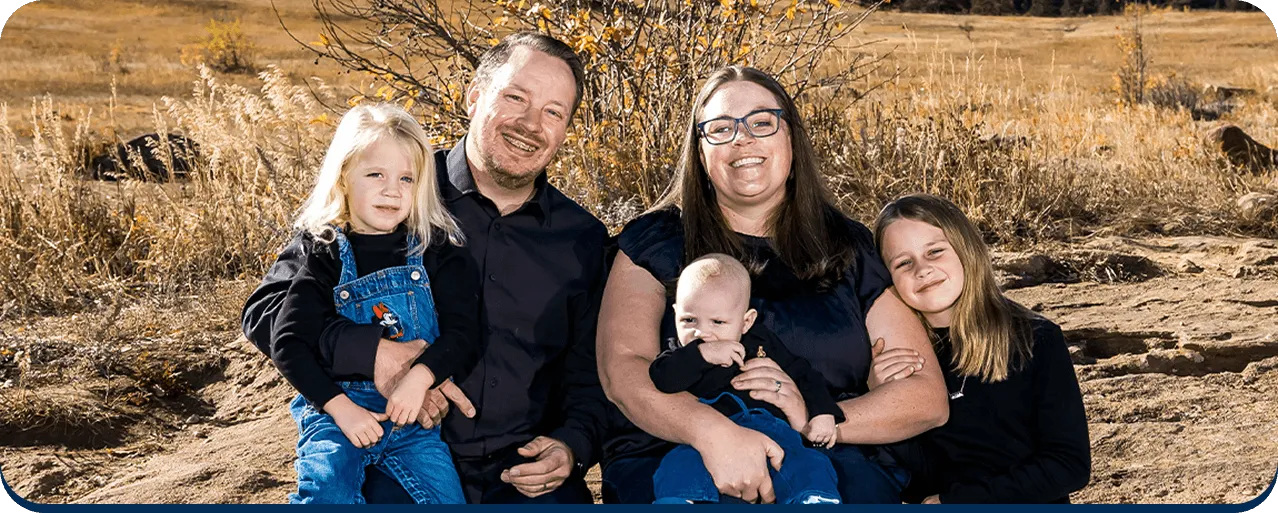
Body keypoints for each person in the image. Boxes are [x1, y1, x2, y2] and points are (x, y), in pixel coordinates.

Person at [242, 32, 611, 504]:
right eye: (515, 97)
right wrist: (374, 354)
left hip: (523, 472)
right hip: (390, 448)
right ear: (475, 96)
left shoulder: (582, 238)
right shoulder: (391, 186)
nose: (530, 123)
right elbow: (266, 311)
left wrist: (572, 446)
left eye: (553, 112)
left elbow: (591, 371)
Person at [596, 65, 951, 504]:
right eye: (721, 129)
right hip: (680, 455)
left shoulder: (848, 247)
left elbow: (926, 398)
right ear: (700, 152)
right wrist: (713, 434)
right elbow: (623, 370)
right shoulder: (654, 242)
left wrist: (818, 420)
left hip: (832, 460)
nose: (742, 139)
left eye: (762, 122)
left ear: (791, 139)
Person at [267, 104, 477, 504]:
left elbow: (464, 332)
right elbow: (288, 342)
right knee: (328, 492)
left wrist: (420, 378)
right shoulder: (325, 252)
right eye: (375, 174)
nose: (392, 189)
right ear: (344, 176)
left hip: (413, 422)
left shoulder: (434, 251)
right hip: (336, 414)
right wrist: (340, 407)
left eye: (406, 178)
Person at [870, 193, 1090, 504]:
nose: (922, 270)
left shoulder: (1035, 339)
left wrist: (959, 501)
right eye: (903, 263)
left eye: (934, 251)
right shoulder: (893, 354)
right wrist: (880, 399)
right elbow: (912, 479)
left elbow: (1069, 465)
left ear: (965, 249)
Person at [648, 253, 843, 504]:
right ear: (675, 314)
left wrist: (823, 412)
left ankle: (813, 498)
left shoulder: (763, 344)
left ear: (746, 322)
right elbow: (661, 378)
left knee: (809, 462)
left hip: (773, 432)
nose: (702, 332)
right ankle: (683, 500)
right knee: (676, 463)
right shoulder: (680, 353)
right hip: (710, 439)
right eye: (688, 320)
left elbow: (803, 374)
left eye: (718, 322)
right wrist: (701, 355)